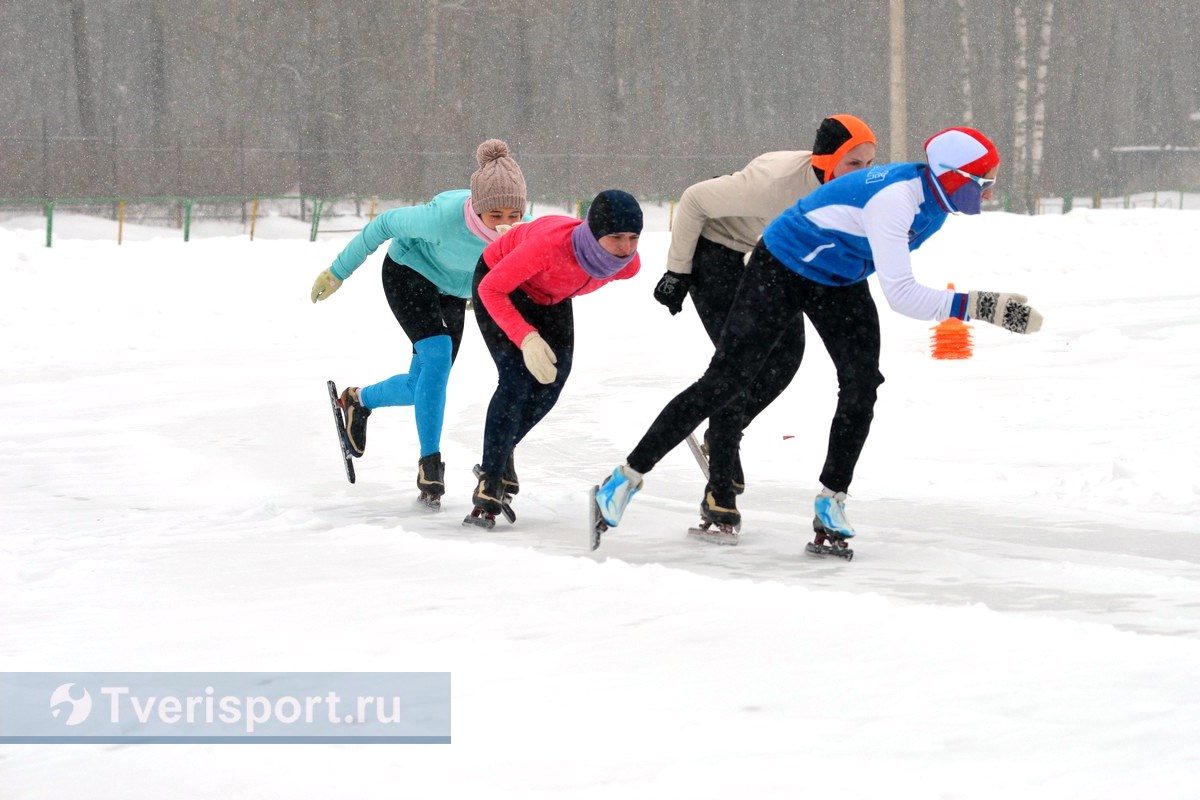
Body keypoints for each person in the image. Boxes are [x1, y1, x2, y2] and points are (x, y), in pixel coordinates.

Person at [593, 126, 1043, 547]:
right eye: (983, 180)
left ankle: (831, 502)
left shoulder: (935, 205)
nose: (989, 190)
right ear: (952, 176)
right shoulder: (897, 199)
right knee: (727, 379)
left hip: (839, 278)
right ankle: (624, 478)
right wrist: (984, 307)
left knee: (862, 383)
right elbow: (902, 295)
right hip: (783, 265)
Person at [649, 114, 877, 526]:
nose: (862, 173)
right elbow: (695, 199)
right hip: (716, 251)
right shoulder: (775, 185)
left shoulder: (856, 194)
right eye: (852, 163)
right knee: (739, 367)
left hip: (766, 259)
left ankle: (725, 429)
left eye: (869, 163)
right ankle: (720, 485)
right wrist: (676, 272)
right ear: (825, 161)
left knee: (787, 357)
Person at [310, 139, 528, 508]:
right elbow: (382, 225)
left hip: (454, 291)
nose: (505, 225)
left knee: (423, 383)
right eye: (496, 217)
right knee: (438, 356)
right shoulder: (441, 218)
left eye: (514, 216)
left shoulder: (522, 232)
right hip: (409, 273)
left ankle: (357, 401)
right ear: (477, 208)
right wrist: (337, 272)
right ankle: (430, 464)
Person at [465, 190, 643, 527]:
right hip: (500, 283)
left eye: (633, 237)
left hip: (551, 295)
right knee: (516, 377)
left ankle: (502, 452)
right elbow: (491, 289)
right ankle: (491, 477)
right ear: (592, 234)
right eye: (616, 237)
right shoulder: (550, 246)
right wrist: (526, 337)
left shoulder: (628, 266)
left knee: (551, 381)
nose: (625, 248)